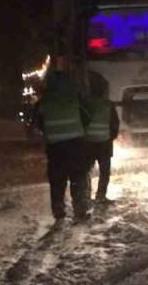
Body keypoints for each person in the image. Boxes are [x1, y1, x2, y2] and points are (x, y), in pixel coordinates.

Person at [33, 71, 91, 221]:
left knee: (57, 179)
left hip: (55, 148)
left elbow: (37, 124)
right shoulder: (74, 99)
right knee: (78, 177)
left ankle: (58, 210)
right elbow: (87, 117)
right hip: (76, 145)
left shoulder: (44, 102)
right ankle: (80, 209)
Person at [82, 74, 121, 205]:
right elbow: (115, 123)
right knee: (104, 171)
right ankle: (101, 196)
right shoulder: (108, 104)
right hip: (104, 142)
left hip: (88, 142)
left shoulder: (86, 103)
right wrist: (111, 137)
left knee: (86, 170)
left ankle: (86, 196)